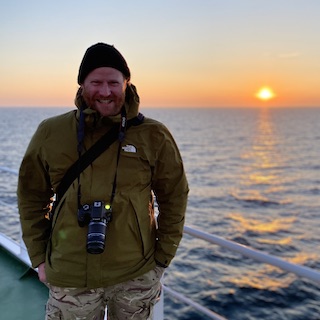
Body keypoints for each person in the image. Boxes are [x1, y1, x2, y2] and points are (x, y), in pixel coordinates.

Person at [17, 42, 189, 320]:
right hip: (70, 274)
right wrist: (38, 257)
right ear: (82, 84)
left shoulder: (153, 135)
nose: (105, 91)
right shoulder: (51, 132)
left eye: (113, 82)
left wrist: (162, 258)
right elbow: (30, 197)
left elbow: (175, 196)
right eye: (96, 82)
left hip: (136, 273)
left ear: (126, 83)